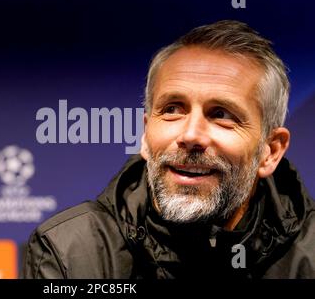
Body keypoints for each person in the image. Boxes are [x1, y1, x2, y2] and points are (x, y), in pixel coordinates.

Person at [22, 20, 315, 279]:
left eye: (222, 114)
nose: (190, 134)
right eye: (172, 109)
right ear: (145, 135)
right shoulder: (70, 252)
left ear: (270, 151)